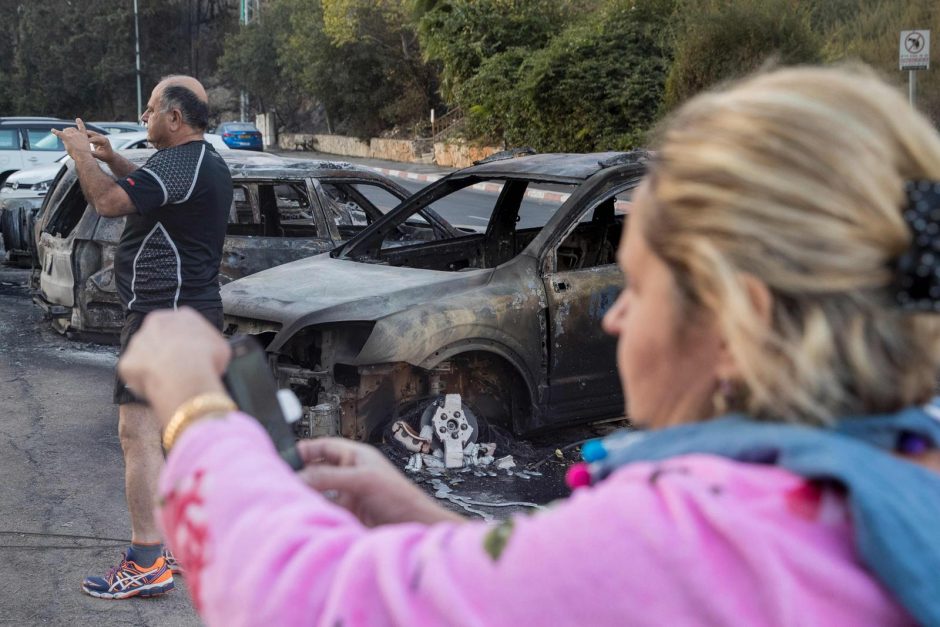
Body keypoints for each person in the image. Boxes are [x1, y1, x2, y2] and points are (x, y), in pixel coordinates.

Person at [121, 65, 940, 625]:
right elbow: (548, 588)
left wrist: (198, 411)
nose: (615, 317)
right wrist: (419, 517)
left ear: (743, 321)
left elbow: (312, 600)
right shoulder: (888, 481)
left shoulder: (693, 538)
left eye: (642, 287)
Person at [53, 75, 233, 599]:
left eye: (151, 109)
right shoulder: (200, 161)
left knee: (139, 436)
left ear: (175, 118)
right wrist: (111, 157)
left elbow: (109, 203)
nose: (144, 116)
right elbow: (153, 195)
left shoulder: (182, 163)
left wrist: (80, 155)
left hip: (163, 316)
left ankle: (146, 562)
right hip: (188, 313)